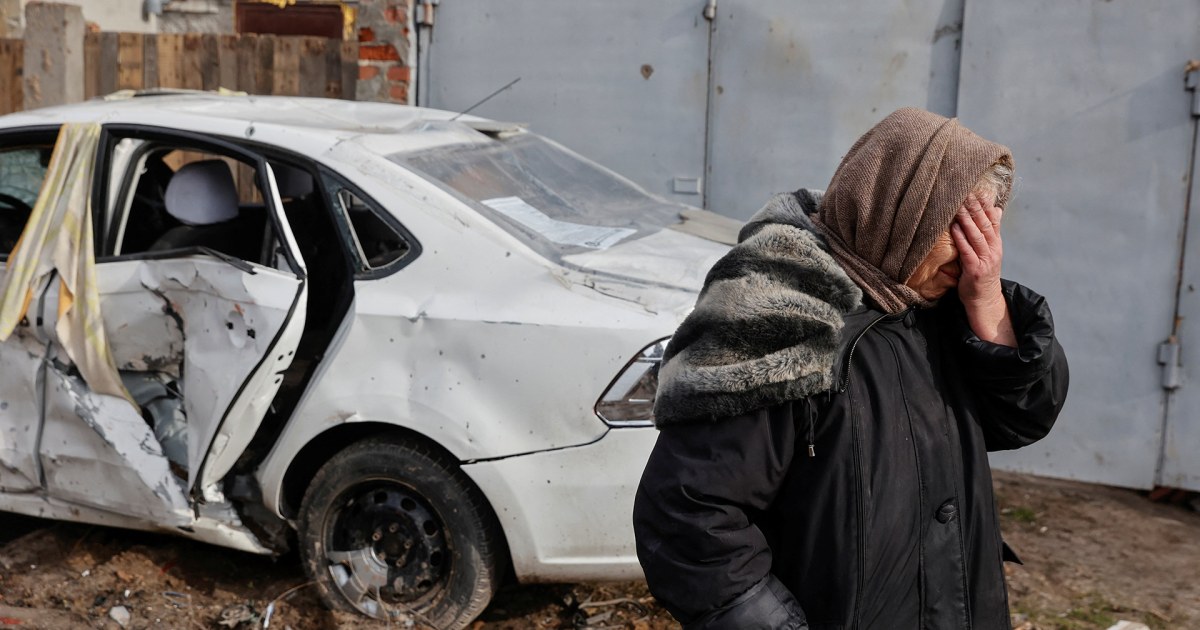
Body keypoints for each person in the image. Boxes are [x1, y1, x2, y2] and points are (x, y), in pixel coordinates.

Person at [632, 108, 1069, 629]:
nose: (980, 252)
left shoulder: (938, 309)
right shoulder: (783, 317)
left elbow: (1027, 417)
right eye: (959, 224)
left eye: (986, 225)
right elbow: (688, 514)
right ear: (901, 211)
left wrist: (990, 306)